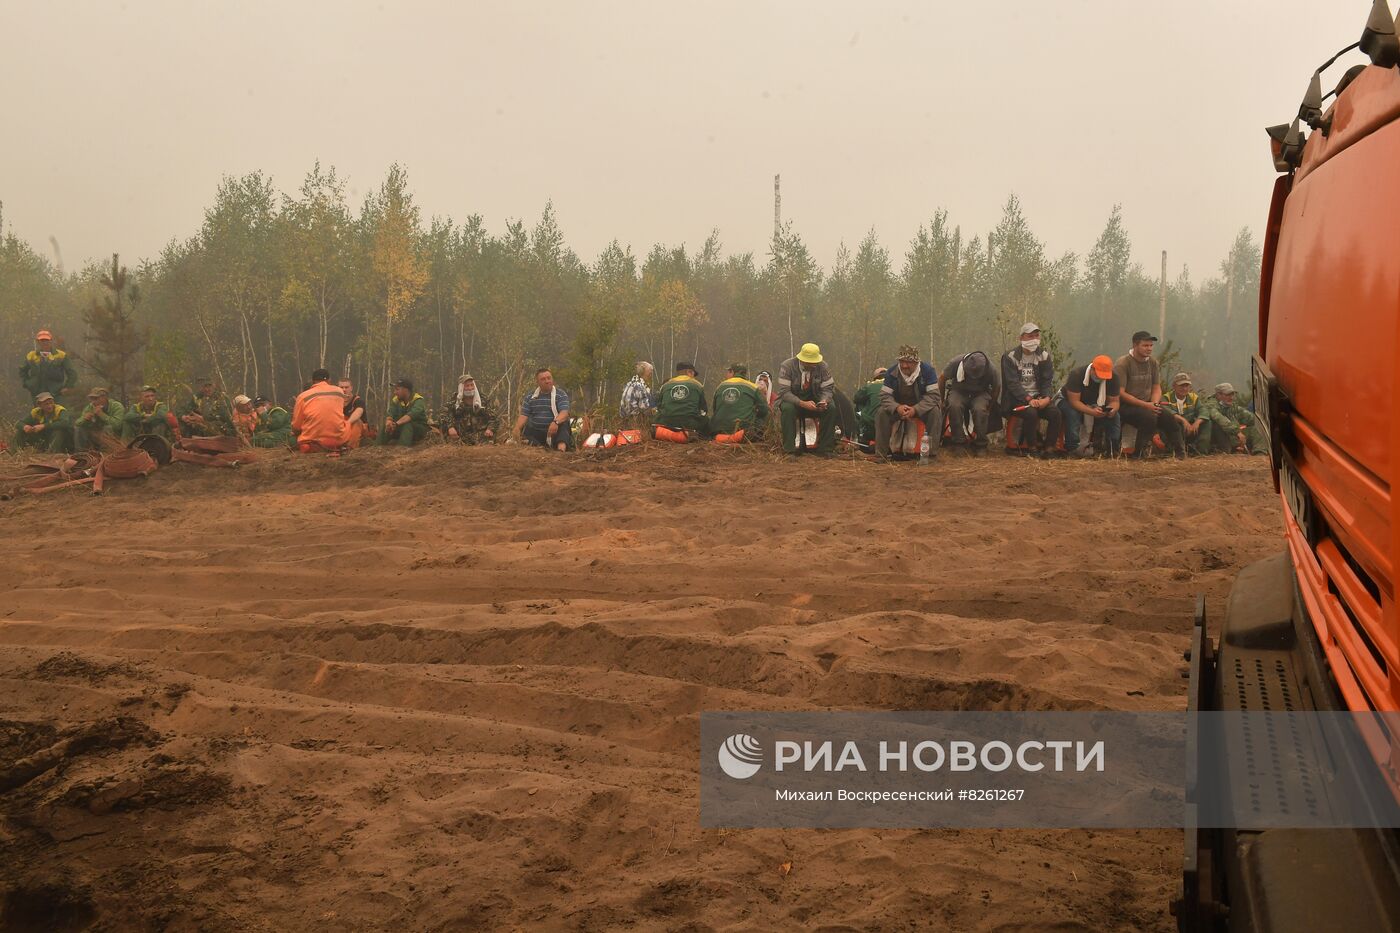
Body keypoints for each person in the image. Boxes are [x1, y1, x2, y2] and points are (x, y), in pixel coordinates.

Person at [1114, 331, 1185, 459]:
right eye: (1145, 345)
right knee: (1149, 419)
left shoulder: (1152, 362)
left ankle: (1180, 453)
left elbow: (1156, 387)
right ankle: (1138, 454)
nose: (1149, 349)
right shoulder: (1123, 363)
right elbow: (1120, 393)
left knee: (1170, 419)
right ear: (1135, 345)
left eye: (1151, 346)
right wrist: (1146, 405)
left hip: (1148, 404)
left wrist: (1154, 404)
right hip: (1126, 405)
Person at [1000, 322, 1063, 457]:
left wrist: (1046, 398)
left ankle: (1049, 448)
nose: (1034, 339)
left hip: (1038, 397)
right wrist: (1028, 399)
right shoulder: (1010, 357)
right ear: (1021, 338)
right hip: (1016, 399)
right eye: (1030, 336)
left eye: (1036, 336)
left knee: (1055, 413)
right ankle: (1032, 448)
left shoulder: (1044, 356)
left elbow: (1047, 381)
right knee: (1031, 413)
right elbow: (1012, 384)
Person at [876, 346, 942, 459]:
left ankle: (931, 454)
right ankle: (881, 454)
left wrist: (915, 409)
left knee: (935, 412)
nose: (904, 365)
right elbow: (885, 396)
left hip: (921, 408)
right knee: (881, 413)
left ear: (916, 362)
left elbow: (933, 396)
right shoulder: (892, 372)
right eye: (901, 361)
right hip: (899, 408)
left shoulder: (928, 371)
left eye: (908, 362)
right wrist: (897, 407)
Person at [777, 343, 837, 455]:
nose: (814, 365)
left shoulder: (823, 366)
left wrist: (824, 401)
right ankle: (789, 450)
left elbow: (828, 388)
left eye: (815, 362)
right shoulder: (787, 366)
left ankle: (825, 448)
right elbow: (784, 392)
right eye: (810, 363)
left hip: (814, 401)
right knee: (787, 409)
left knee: (831, 408)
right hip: (793, 402)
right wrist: (801, 403)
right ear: (802, 360)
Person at [1058, 355, 1122, 456]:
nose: (1101, 378)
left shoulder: (1114, 377)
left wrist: (1112, 410)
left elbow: (1115, 401)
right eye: (1099, 374)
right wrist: (1091, 412)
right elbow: (1074, 402)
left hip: (1097, 404)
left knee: (1115, 416)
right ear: (1092, 369)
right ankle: (1072, 448)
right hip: (1070, 401)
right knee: (1073, 413)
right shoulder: (1077, 374)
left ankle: (1112, 448)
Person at [940, 350, 1001, 454]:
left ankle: (981, 444)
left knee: (980, 409)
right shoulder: (956, 362)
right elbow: (941, 378)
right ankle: (958, 442)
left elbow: (997, 387)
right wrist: (941, 401)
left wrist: (990, 406)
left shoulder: (991, 369)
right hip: (958, 391)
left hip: (980, 393)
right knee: (954, 405)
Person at [292, 368, 352, 452]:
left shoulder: (303, 396)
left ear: (313, 381)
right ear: (329, 380)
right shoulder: (339, 392)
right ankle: (342, 445)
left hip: (311, 440)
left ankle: (309, 445)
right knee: (347, 423)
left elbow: (296, 426)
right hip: (337, 439)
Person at [1197, 383, 1264, 454]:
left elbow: (1250, 417)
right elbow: (1220, 419)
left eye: (1232, 394)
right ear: (1218, 395)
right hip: (1220, 439)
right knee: (1219, 426)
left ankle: (1260, 454)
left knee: (1256, 428)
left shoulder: (1231, 405)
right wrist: (1238, 432)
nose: (1231, 397)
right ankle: (1230, 450)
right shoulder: (1211, 405)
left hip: (1233, 436)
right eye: (1228, 395)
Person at [514, 368, 572, 450]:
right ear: (537, 382)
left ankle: (561, 451)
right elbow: (524, 415)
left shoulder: (561, 395)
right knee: (524, 428)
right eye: (543, 379)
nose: (547, 381)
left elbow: (564, 413)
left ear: (552, 379)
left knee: (564, 423)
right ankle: (539, 448)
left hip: (554, 431)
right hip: (537, 431)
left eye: (549, 378)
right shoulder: (530, 397)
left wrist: (555, 422)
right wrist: (516, 428)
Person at [709, 364, 769, 439]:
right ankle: (739, 436)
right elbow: (764, 410)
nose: (726, 374)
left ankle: (719, 437)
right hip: (742, 429)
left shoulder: (720, 386)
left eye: (728, 372)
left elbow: (715, 409)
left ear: (732, 372)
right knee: (762, 419)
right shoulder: (752, 387)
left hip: (719, 429)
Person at [652, 362, 708, 438]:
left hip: (666, 423)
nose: (694, 377)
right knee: (706, 419)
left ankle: (661, 432)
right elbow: (703, 410)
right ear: (689, 372)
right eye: (693, 375)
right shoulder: (698, 385)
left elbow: (659, 406)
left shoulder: (665, 385)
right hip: (689, 425)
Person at [19, 330, 78, 401]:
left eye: (47, 340)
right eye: (42, 340)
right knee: (37, 412)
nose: (45, 342)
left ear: (51, 341)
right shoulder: (31, 355)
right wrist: (28, 384)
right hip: (37, 393)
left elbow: (72, 373)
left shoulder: (61, 355)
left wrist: (67, 387)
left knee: (57, 411)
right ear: (38, 342)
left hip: (56, 392)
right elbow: (22, 371)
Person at [440, 373, 498, 444]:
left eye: (471, 385)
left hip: (481, 437)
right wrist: (450, 427)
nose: (470, 388)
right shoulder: (454, 400)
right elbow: (443, 415)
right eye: (467, 386)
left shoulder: (483, 399)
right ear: (461, 388)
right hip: (459, 437)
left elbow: (494, 417)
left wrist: (490, 429)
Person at [379, 377, 430, 447]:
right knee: (386, 426)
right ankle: (376, 448)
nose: (395, 392)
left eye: (397, 389)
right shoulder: (396, 400)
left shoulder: (418, 400)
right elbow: (390, 413)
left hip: (418, 430)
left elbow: (410, 416)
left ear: (406, 390)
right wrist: (389, 422)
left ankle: (402, 449)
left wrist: (396, 424)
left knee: (407, 425)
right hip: (400, 427)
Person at [1162, 373, 1204, 452]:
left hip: (1190, 429)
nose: (1184, 388)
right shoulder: (1166, 398)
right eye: (1181, 386)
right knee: (1175, 424)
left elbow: (1203, 410)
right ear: (1174, 386)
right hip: (1173, 430)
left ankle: (1200, 451)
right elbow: (1165, 410)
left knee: (1206, 423)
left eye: (1187, 386)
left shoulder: (1193, 397)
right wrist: (1182, 420)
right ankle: (1172, 450)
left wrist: (1197, 422)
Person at [851, 366, 888, 450]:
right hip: (890, 423)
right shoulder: (894, 386)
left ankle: (860, 437)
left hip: (871, 422)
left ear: (875, 378)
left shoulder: (870, 386)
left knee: (858, 405)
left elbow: (856, 398)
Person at [618, 361, 655, 427]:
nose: (651, 374)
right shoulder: (640, 387)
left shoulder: (630, 383)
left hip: (624, 421)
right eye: (650, 371)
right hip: (635, 422)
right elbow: (644, 408)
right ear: (643, 372)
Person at [339, 378, 368, 448]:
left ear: (351, 388)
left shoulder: (358, 401)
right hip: (342, 429)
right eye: (341, 387)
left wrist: (347, 424)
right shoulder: (336, 402)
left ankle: (350, 447)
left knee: (356, 421)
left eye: (346, 387)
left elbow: (358, 413)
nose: (344, 390)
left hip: (359, 429)